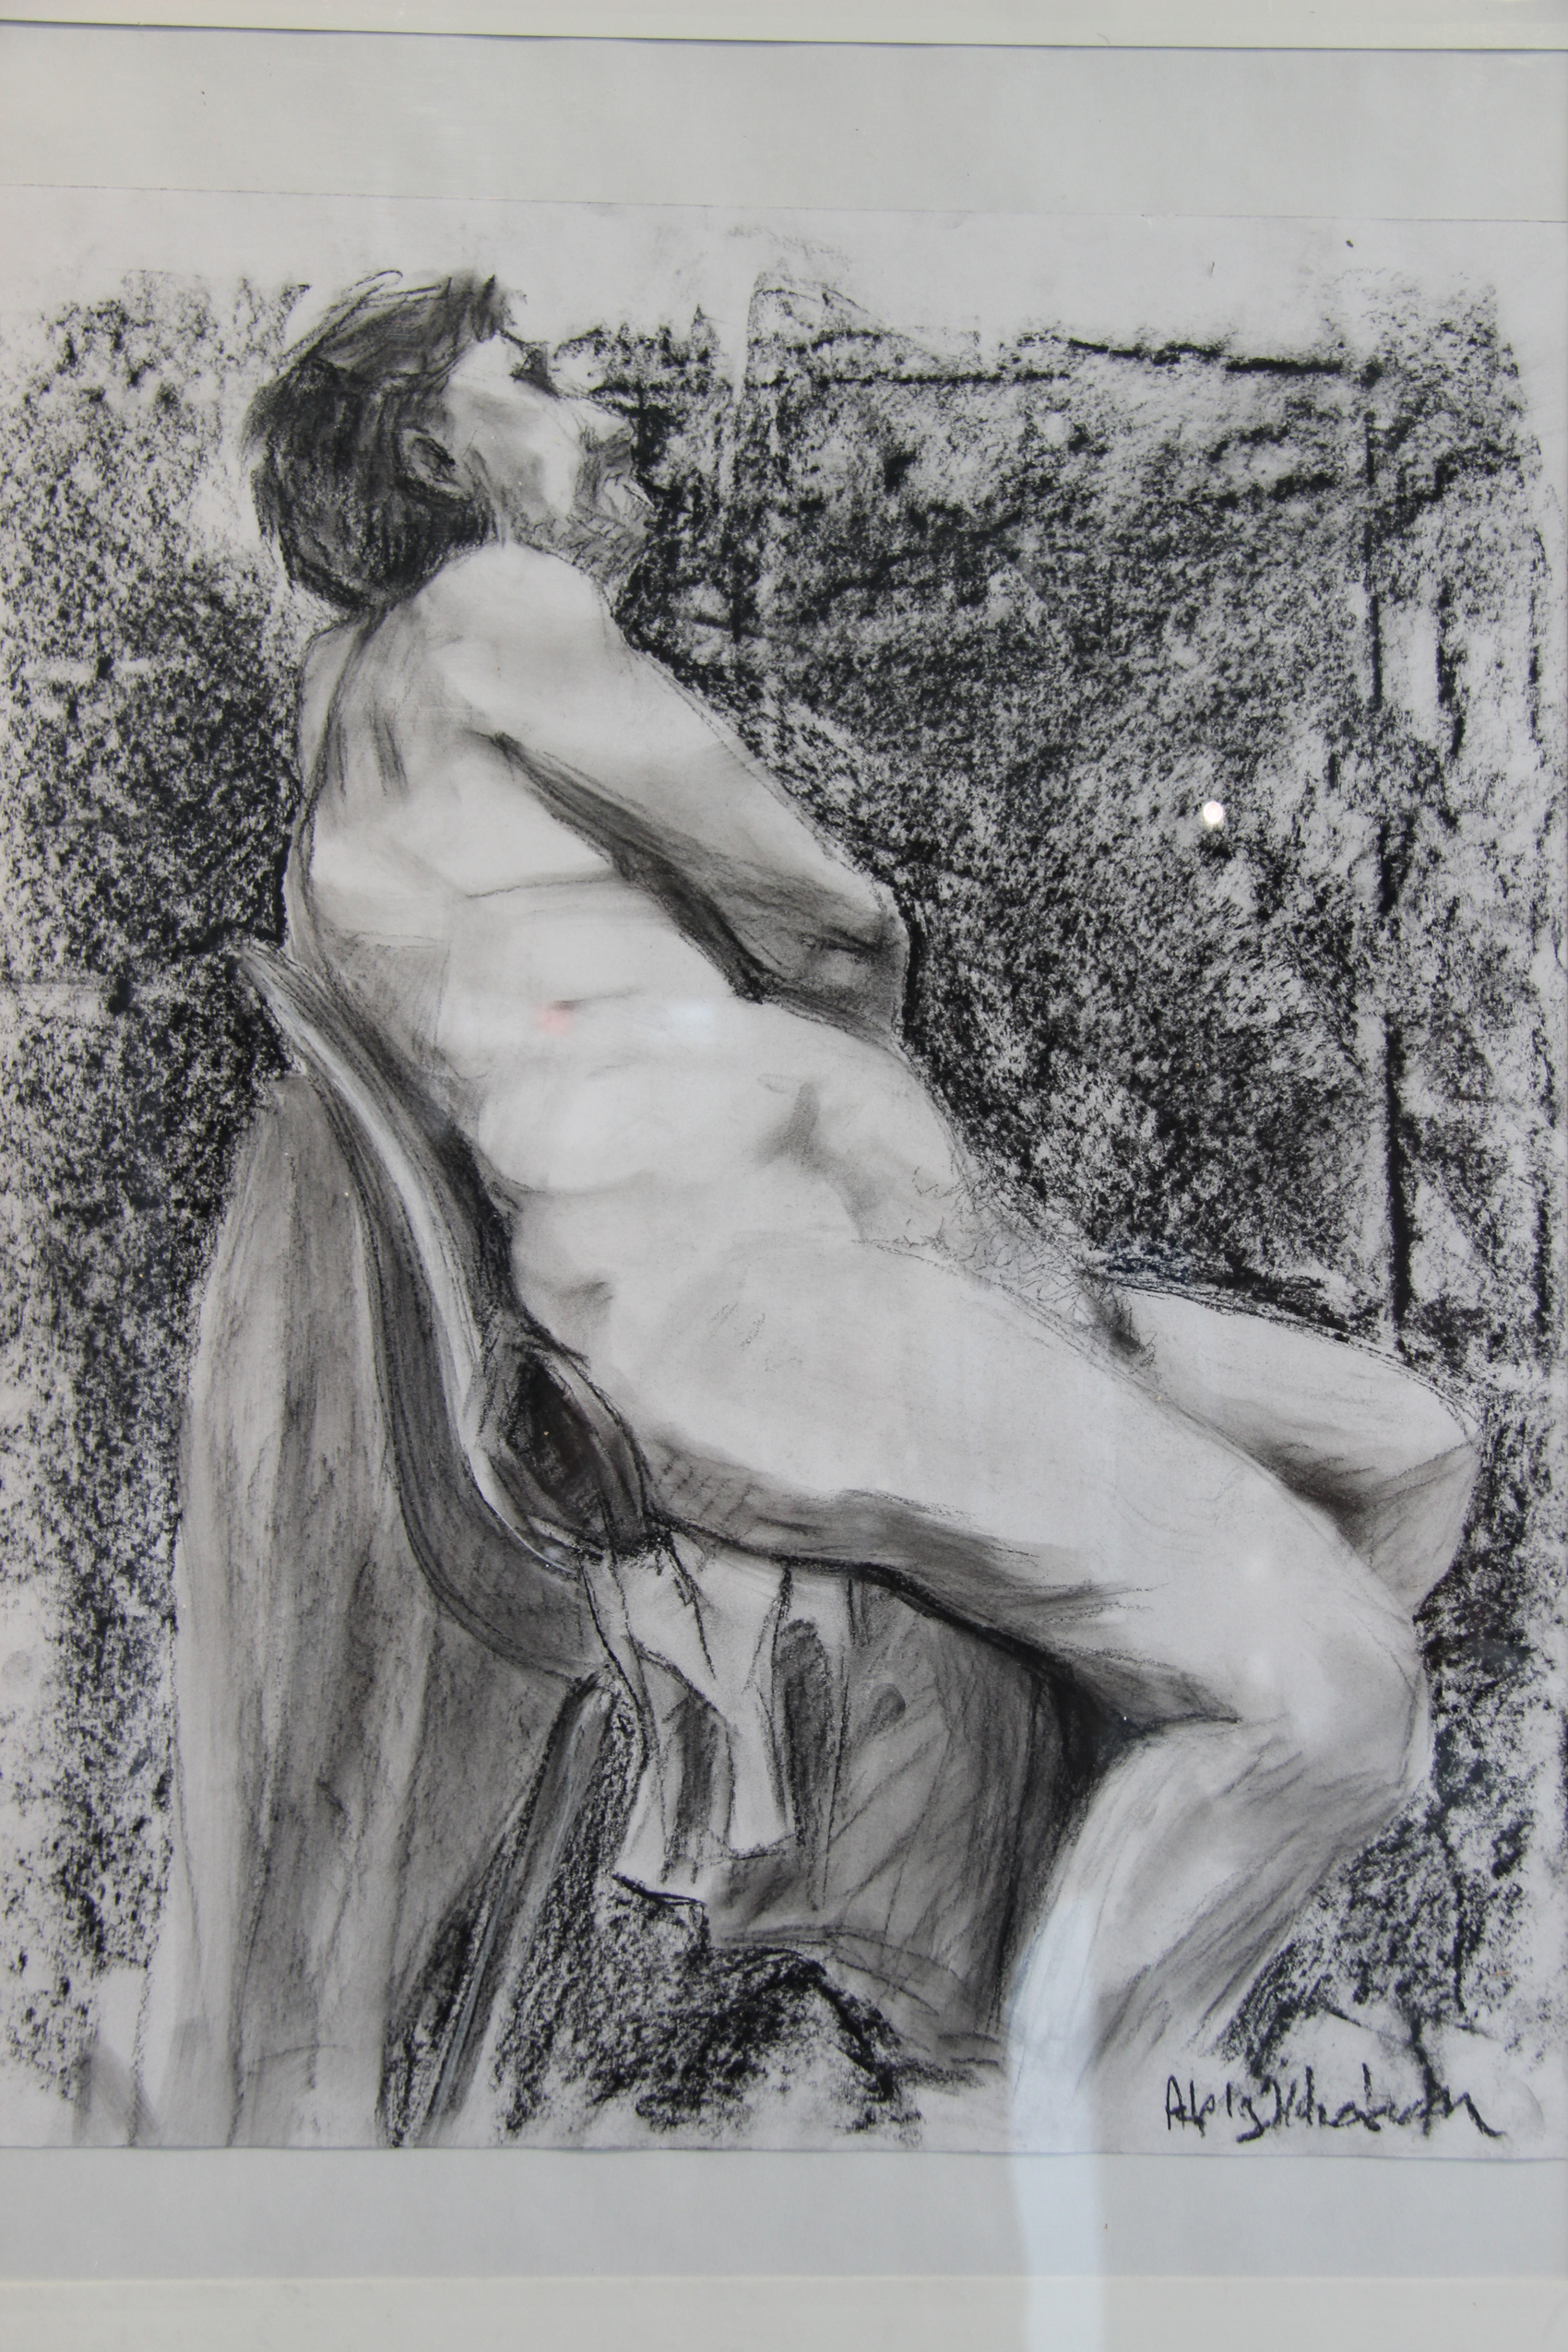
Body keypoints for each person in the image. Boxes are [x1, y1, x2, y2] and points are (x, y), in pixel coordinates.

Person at [244, 274, 1479, 2129]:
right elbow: (829, 913)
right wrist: (880, 1136)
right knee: (1338, 1702)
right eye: (538, 379)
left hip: (773, 1292)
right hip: (766, 1310)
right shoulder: (491, 608)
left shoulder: (351, 710)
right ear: (436, 452)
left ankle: (1084, 1932)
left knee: (1406, 1454)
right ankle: (1028, 2148)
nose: (601, 416)